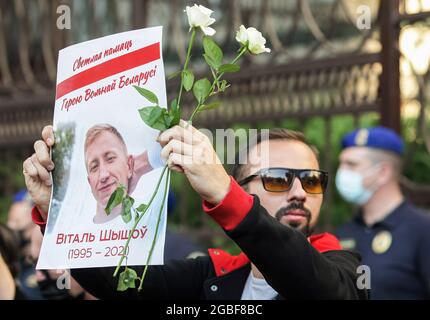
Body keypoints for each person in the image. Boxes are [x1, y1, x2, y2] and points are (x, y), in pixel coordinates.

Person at [24, 121, 367, 299]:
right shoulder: (213, 275)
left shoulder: (344, 268)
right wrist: (55, 209)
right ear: (242, 187)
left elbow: (318, 288)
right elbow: (117, 286)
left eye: (311, 180)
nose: (299, 193)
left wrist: (223, 195)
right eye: (278, 179)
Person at [335, 126, 430, 299]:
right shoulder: (343, 233)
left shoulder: (423, 230)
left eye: (351, 164)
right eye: (341, 163)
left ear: (383, 173)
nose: (342, 172)